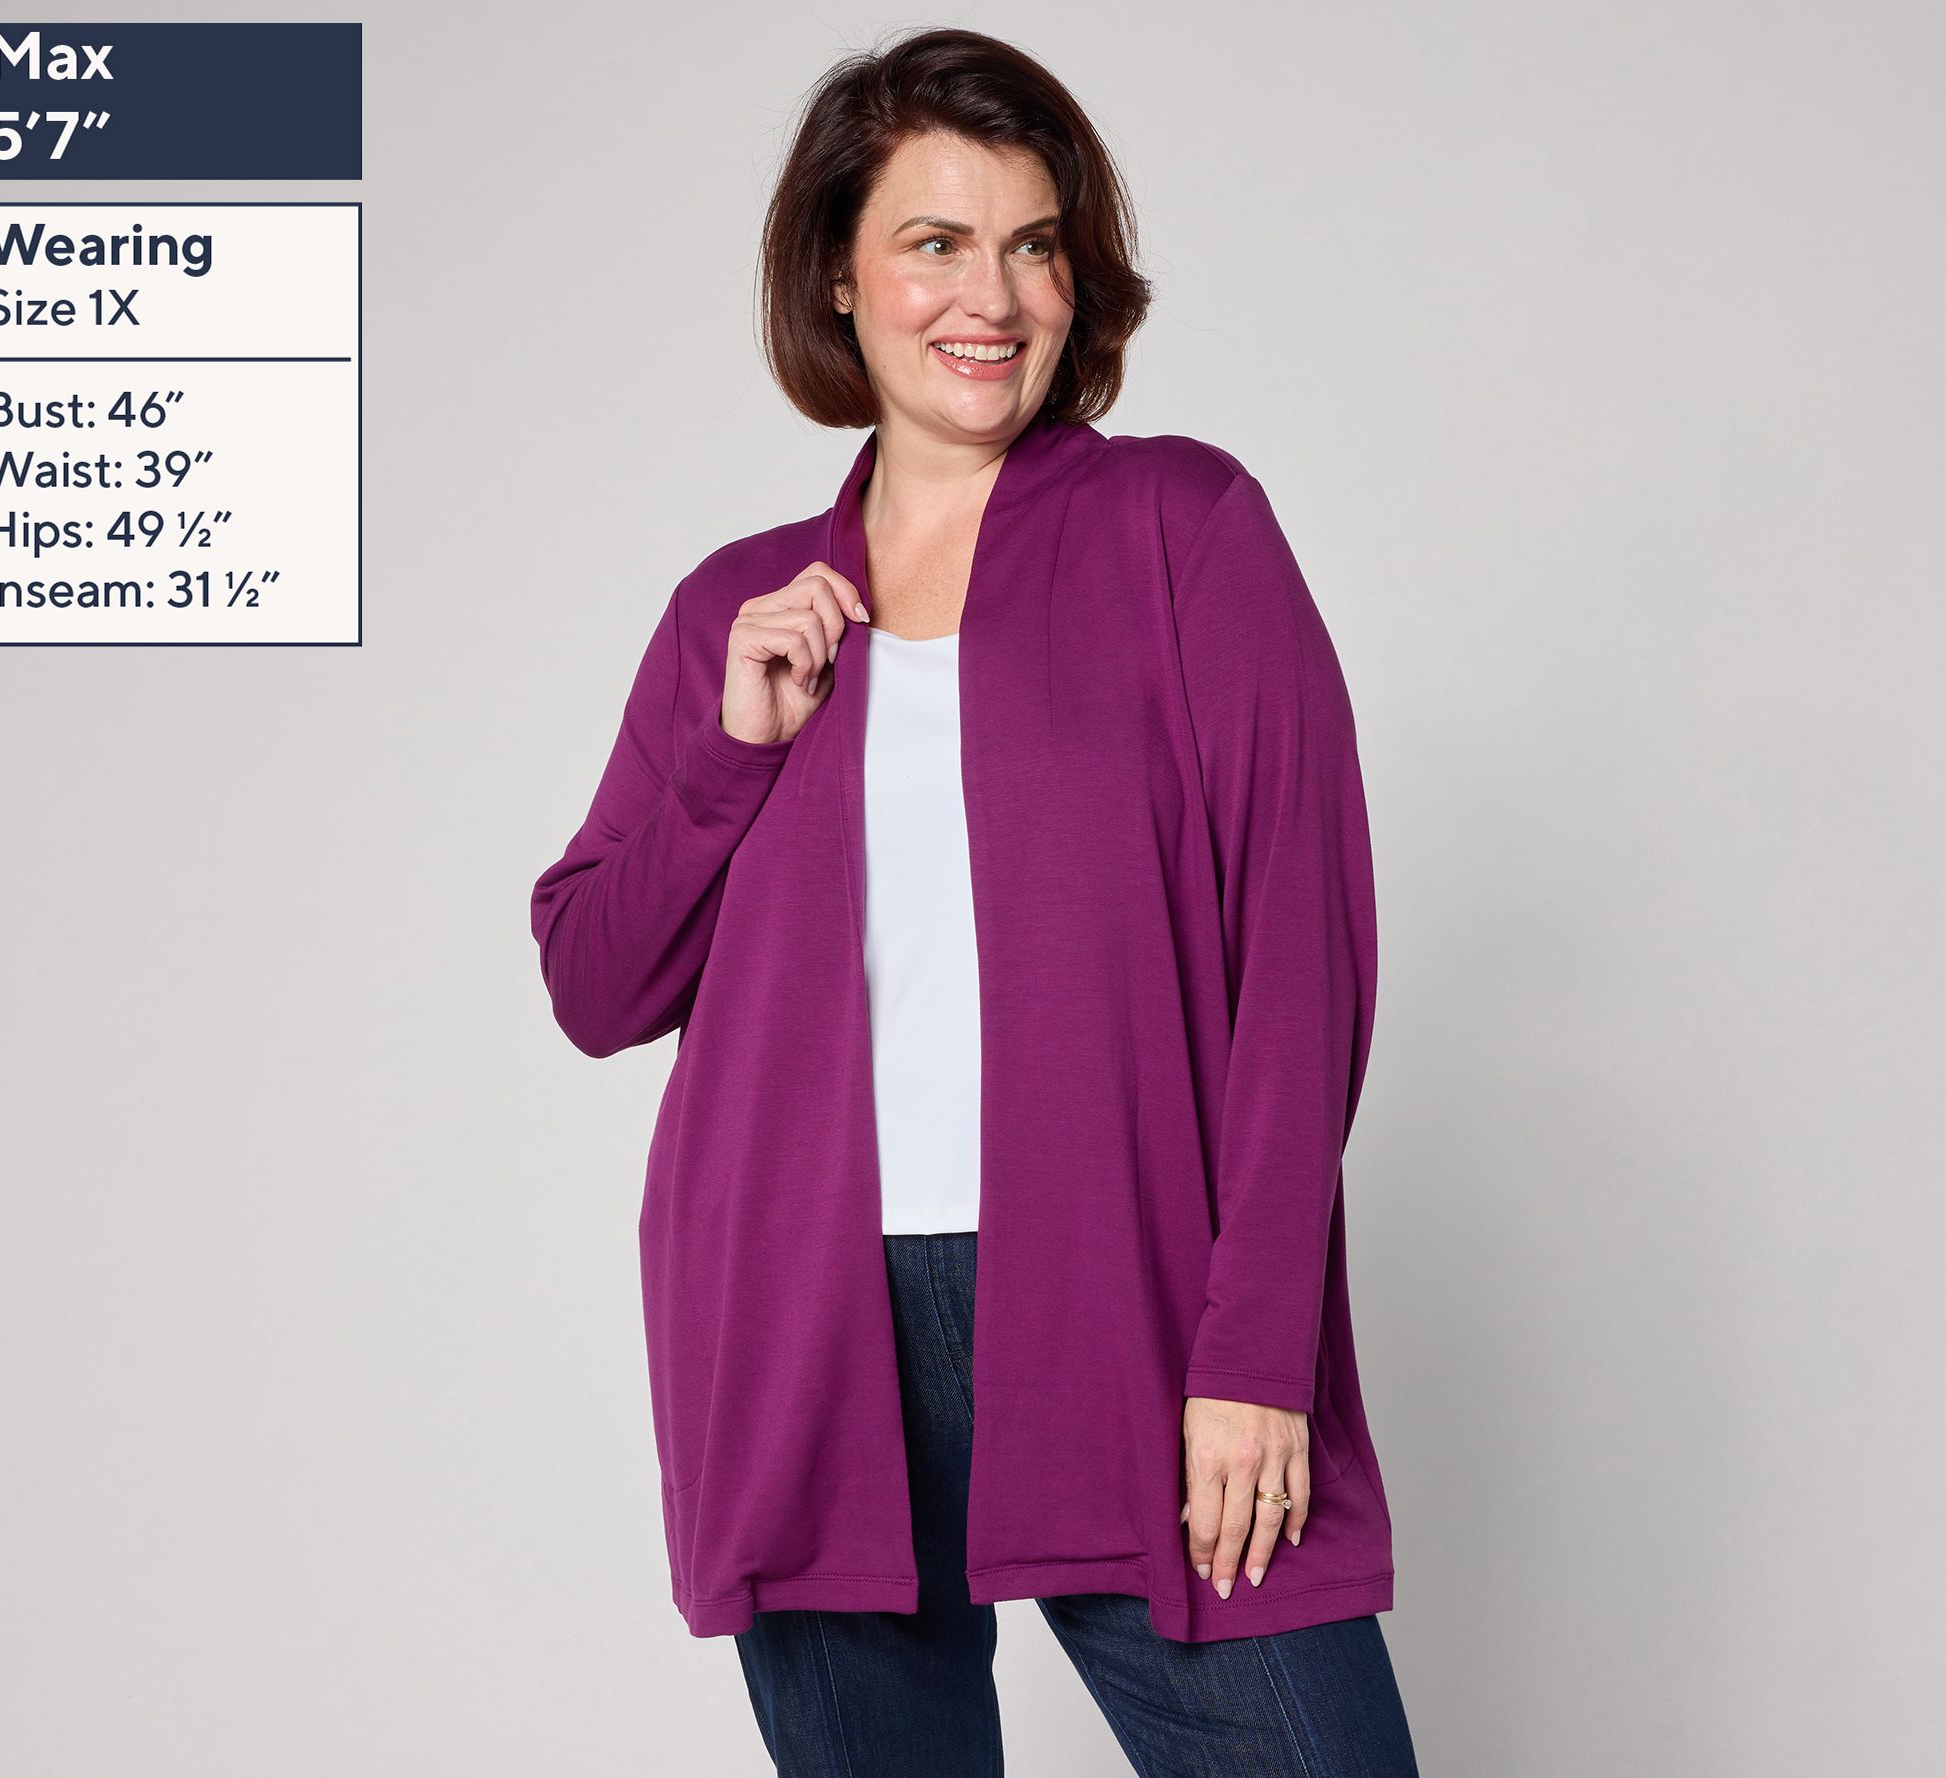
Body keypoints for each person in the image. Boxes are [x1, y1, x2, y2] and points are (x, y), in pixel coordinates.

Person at [530, 25, 1422, 1777]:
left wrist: (1261, 1351)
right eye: (935, 241)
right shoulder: (739, 610)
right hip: (803, 1322)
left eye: (1032, 243)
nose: (991, 296)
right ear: (839, 276)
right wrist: (731, 751)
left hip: (1128, 1298)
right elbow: (593, 980)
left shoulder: (1185, 528)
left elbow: (1302, 966)